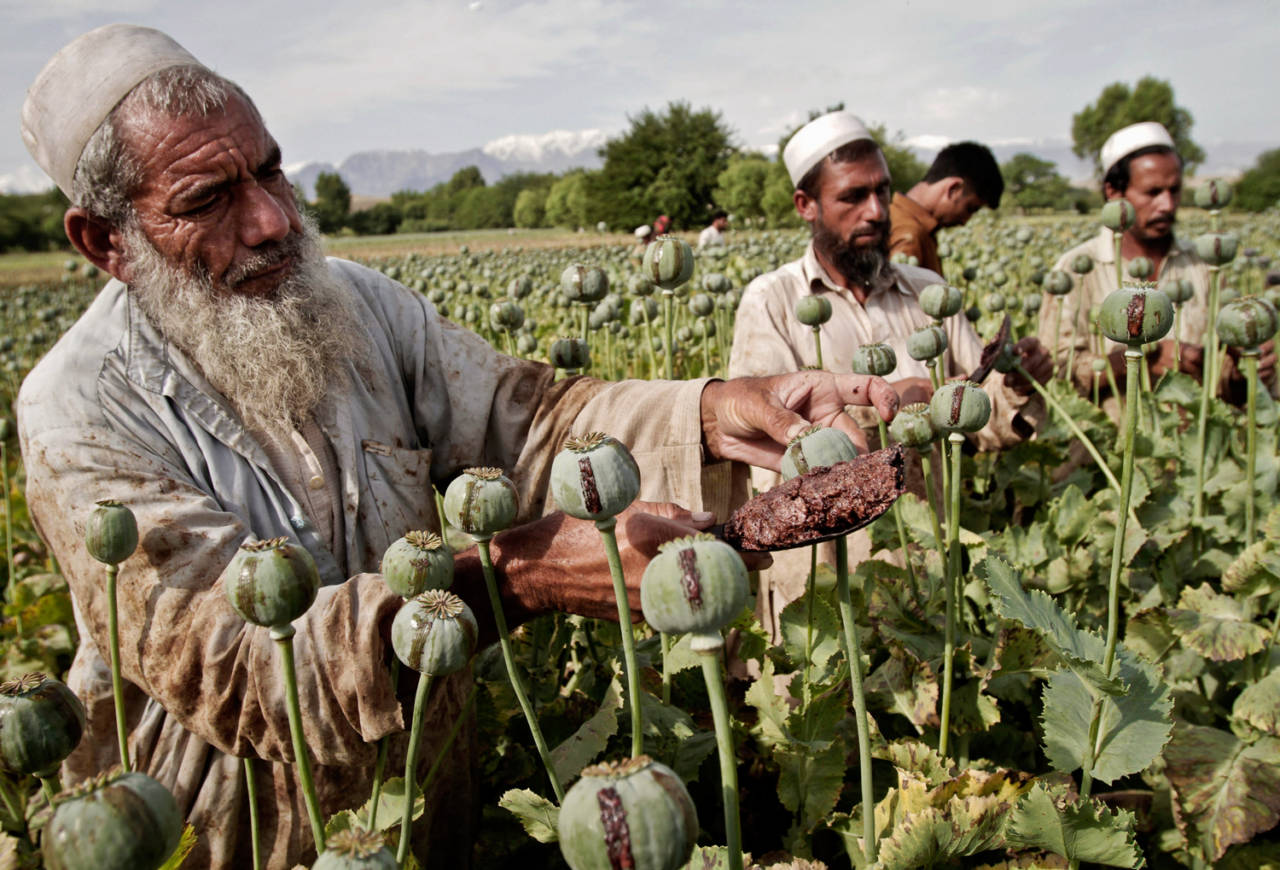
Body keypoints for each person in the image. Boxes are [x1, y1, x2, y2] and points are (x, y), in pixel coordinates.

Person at [17, 26, 899, 869]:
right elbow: (239, 667)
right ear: (106, 242)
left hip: (424, 794)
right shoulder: (78, 411)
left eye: (272, 171)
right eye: (207, 200)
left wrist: (712, 410)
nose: (272, 221)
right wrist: (516, 578)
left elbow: (533, 419)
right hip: (223, 827)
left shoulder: (355, 303)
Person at [729, 110, 1050, 640]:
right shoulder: (772, 301)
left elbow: (976, 418)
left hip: (923, 568)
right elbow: (764, 443)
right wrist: (887, 404)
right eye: (852, 197)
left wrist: (1014, 386)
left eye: (883, 191)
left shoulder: (928, 292)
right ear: (806, 206)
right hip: (825, 585)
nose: (876, 212)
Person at [1038, 121, 1275, 398]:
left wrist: (1242, 373)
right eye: (1153, 192)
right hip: (1107, 438)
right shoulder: (1075, 269)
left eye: (1174, 190)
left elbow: (1222, 376)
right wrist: (1144, 355)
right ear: (1114, 193)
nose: (1167, 205)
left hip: (1192, 434)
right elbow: (1057, 373)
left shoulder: (1203, 265)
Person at [889, 141, 1004, 275]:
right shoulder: (909, 236)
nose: (965, 222)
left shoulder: (896, 217)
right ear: (953, 189)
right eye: (970, 208)